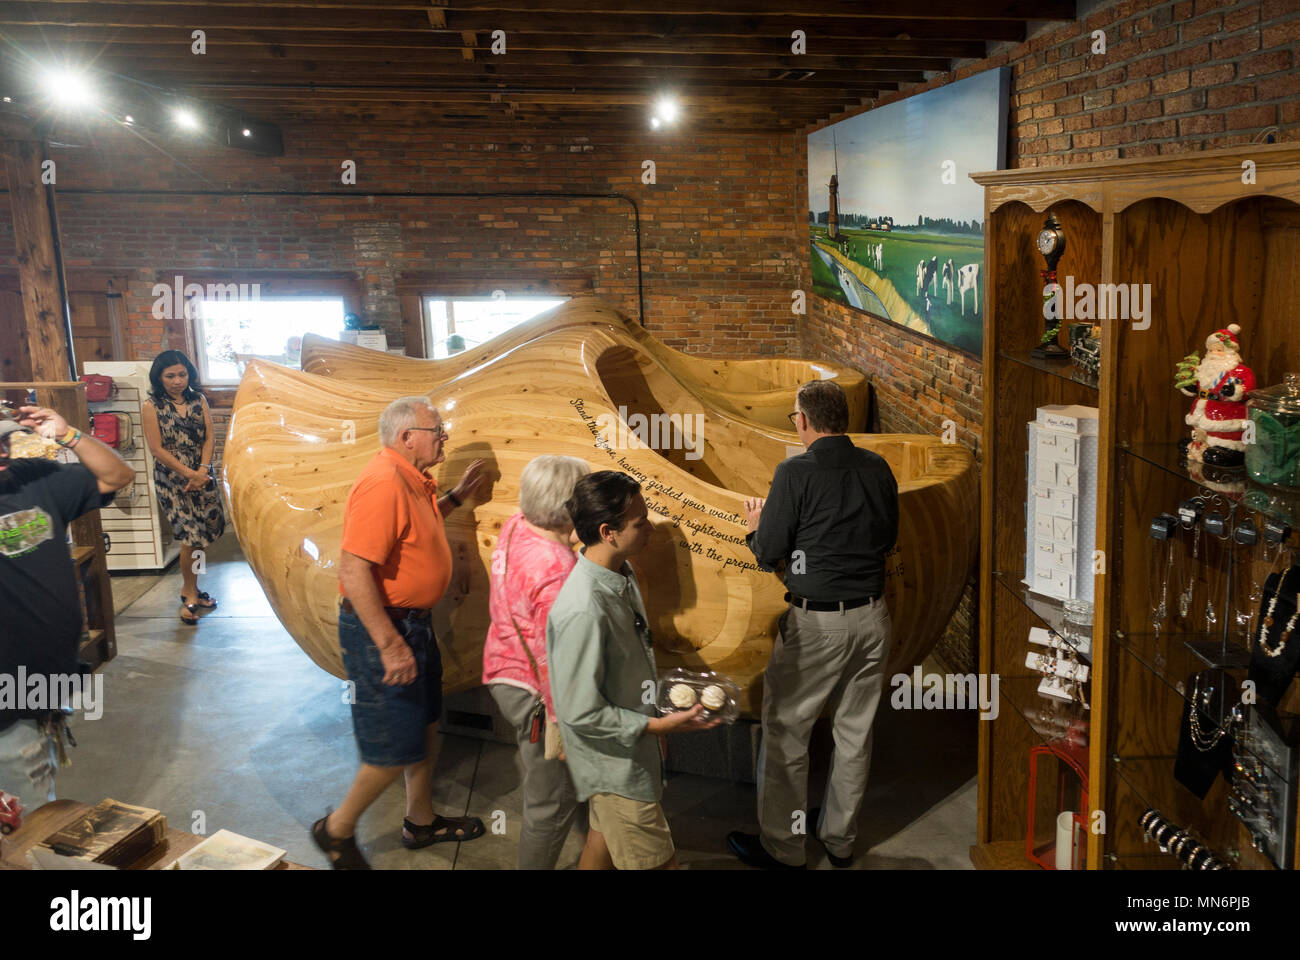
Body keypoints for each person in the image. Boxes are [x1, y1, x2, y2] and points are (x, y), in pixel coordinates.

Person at [728, 379, 899, 870]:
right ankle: (840, 839)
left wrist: (756, 526)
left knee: (787, 732)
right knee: (855, 733)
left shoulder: (793, 472)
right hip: (873, 617)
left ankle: (783, 847)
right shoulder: (878, 467)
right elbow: (887, 537)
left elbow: (768, 552)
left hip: (818, 625)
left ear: (802, 420)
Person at [313, 395, 486, 869]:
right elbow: (354, 571)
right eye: (438, 431)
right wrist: (390, 645)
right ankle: (336, 831)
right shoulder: (384, 482)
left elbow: (415, 529)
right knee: (392, 748)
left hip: (413, 624)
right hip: (386, 629)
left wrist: (454, 498)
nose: (444, 437)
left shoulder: (413, 479)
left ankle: (420, 821)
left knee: (425, 722)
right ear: (407, 437)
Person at [547, 470, 719, 871]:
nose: (651, 530)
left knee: (600, 843)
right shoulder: (583, 609)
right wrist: (657, 728)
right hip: (615, 768)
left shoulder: (619, 573)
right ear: (608, 531)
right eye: (640, 523)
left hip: (624, 755)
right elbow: (580, 712)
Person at [0, 406, 134, 811]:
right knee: (25, 816)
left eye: (3, 440)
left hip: (42, 683)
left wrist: (70, 435)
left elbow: (117, 476)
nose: (2, 452)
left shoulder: (29, 479)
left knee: (36, 801)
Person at [482, 454, 591, 869]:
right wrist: (563, 728)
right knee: (550, 802)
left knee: (540, 782)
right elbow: (555, 663)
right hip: (538, 696)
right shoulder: (557, 571)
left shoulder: (516, 525)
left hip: (503, 672)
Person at [141, 350, 226, 625]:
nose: (177, 381)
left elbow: (210, 436)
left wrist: (202, 471)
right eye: (170, 376)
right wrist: (189, 473)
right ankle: (188, 591)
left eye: (182, 374)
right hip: (174, 479)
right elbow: (156, 449)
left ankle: (196, 587)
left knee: (204, 534)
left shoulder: (198, 399)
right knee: (190, 535)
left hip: (202, 473)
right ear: (159, 377)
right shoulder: (151, 405)